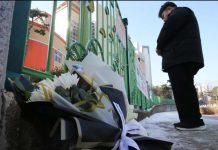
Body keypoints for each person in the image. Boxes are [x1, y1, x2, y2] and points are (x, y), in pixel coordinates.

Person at [156, 2, 206, 130]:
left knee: (182, 90)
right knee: (186, 89)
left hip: (180, 58)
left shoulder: (179, 12)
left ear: (169, 9)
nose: (164, 20)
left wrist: (159, 45)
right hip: (184, 57)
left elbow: (168, 29)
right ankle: (194, 121)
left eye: (164, 16)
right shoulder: (183, 15)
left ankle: (191, 122)